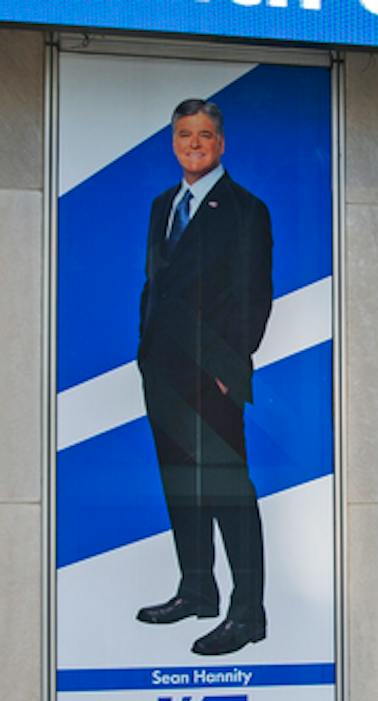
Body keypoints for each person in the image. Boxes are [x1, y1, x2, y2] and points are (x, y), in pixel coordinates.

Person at [134, 97, 274, 657]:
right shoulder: (162, 205)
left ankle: (248, 612)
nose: (194, 144)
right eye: (185, 135)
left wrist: (228, 367)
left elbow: (254, 294)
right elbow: (156, 284)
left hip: (210, 374)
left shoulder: (245, 210)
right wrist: (144, 351)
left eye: (205, 135)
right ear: (174, 142)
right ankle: (197, 588)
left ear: (221, 144)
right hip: (162, 368)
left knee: (227, 491)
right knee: (180, 485)